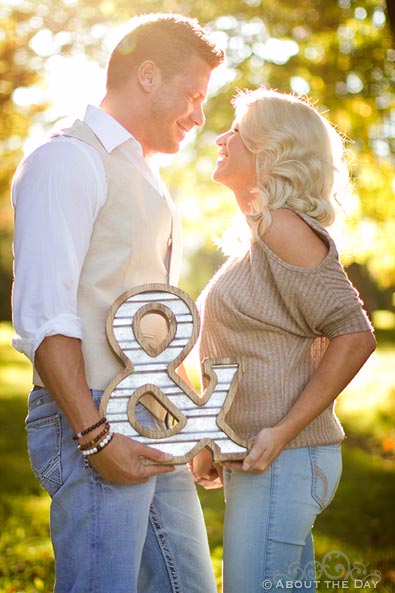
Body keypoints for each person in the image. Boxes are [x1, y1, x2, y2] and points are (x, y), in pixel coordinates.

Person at [11, 13, 224, 593]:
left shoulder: (143, 172)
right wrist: (95, 434)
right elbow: (44, 317)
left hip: (156, 416)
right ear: (148, 75)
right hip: (97, 415)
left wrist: (194, 427)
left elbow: (156, 317)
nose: (200, 116)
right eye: (193, 95)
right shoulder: (66, 160)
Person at [190, 88, 376, 593]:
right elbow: (249, 355)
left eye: (237, 132)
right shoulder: (258, 236)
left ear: (270, 152)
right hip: (266, 460)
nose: (221, 139)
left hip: (284, 460)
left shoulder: (283, 227)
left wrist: (282, 430)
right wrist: (215, 439)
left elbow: (354, 334)